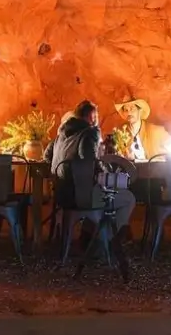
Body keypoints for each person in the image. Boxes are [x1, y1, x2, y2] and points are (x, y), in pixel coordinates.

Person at [53, 99, 138, 247]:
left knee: (104, 191)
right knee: (128, 197)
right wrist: (107, 172)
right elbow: (91, 162)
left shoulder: (61, 134)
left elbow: (48, 157)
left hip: (61, 195)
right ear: (91, 117)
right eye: (96, 117)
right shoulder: (90, 132)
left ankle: (89, 235)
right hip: (81, 196)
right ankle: (106, 240)